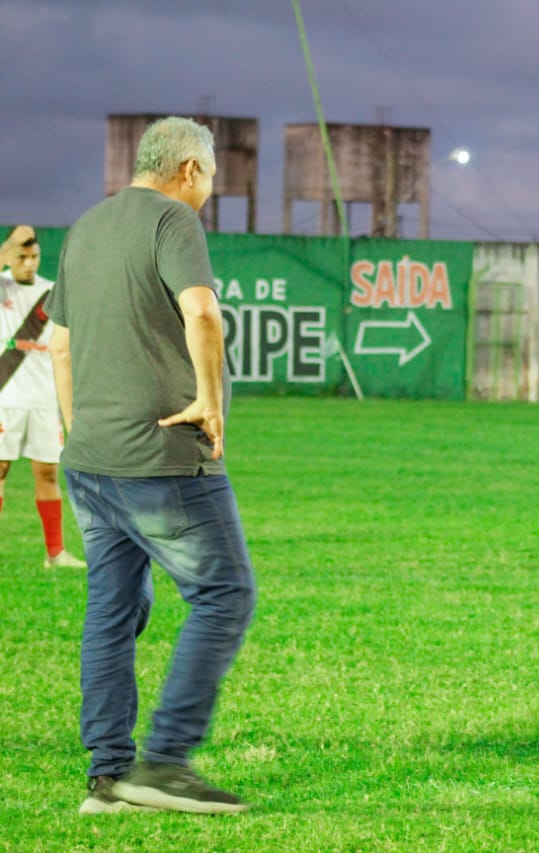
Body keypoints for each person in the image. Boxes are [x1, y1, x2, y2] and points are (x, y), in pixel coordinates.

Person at [47, 116, 257, 815]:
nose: (211, 187)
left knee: (110, 611)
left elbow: (60, 346)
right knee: (225, 592)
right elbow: (202, 313)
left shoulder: (85, 227)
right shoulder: (174, 220)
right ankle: (164, 762)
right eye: (213, 174)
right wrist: (209, 397)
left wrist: (83, 432)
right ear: (189, 170)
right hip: (160, 456)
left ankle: (107, 778)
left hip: (91, 461)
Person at [0, 226, 86, 568]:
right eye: (22, 257)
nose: (29, 263)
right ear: (10, 256)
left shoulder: (51, 291)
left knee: (48, 472)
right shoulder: (3, 285)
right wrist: (8, 246)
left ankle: (55, 553)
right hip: (5, 396)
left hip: (43, 398)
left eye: (34, 256)